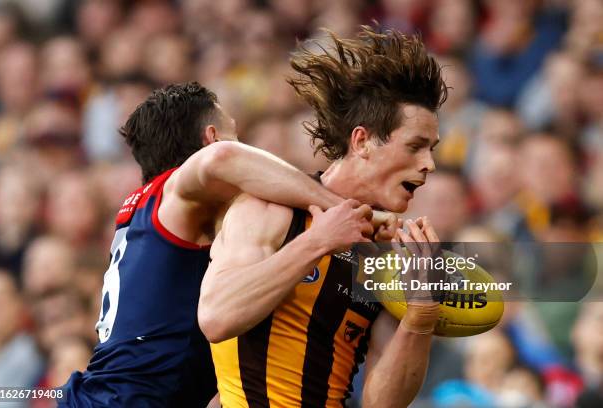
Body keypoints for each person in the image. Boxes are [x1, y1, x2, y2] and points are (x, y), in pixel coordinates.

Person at [60, 82, 376, 407]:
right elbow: (222, 158)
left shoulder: (150, 212)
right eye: (237, 136)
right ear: (212, 138)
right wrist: (345, 211)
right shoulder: (177, 194)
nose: (247, 156)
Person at [199, 26, 448, 407]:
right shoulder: (271, 209)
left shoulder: (383, 253)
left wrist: (420, 315)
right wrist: (317, 242)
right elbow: (217, 318)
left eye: (431, 149)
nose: (428, 164)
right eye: (415, 146)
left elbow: (381, 403)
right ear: (362, 141)